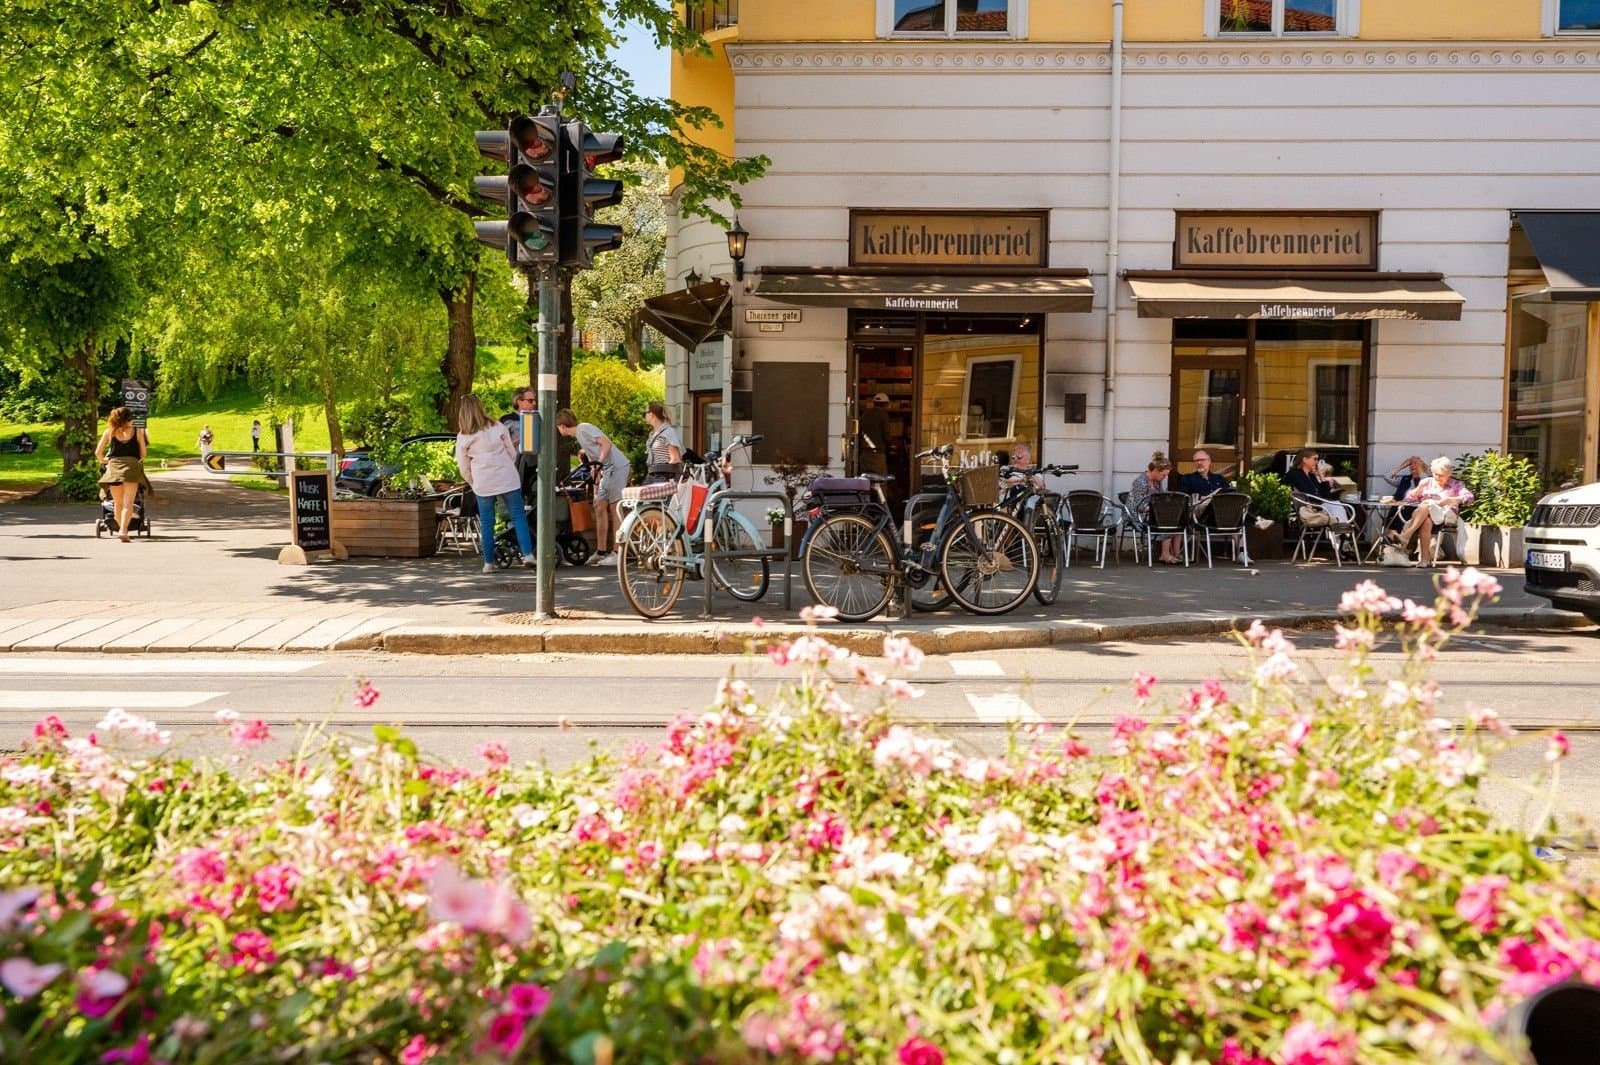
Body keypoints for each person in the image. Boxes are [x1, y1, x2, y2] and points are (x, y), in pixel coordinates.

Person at [454, 394, 536, 574]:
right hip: (507, 476)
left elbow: (463, 465)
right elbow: (512, 452)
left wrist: (472, 481)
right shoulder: (497, 426)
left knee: (487, 522)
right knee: (518, 516)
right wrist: (506, 466)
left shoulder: (464, 436)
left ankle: (488, 563)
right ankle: (528, 555)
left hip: (483, 481)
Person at [556, 409, 630, 566]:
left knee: (615, 508)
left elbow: (606, 443)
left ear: (562, 425)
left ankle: (618, 552)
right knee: (599, 505)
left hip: (616, 467)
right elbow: (592, 456)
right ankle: (601, 551)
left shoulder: (584, 428)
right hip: (606, 470)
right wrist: (595, 471)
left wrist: (599, 463)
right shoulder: (579, 435)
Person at [1389, 455, 1474, 566]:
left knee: (1425, 506)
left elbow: (1469, 497)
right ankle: (1425, 560)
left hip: (1445, 513)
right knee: (1426, 520)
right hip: (1424, 514)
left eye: (1441, 475)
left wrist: (1450, 500)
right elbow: (1409, 499)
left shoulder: (1456, 484)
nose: (1437, 477)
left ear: (1449, 473)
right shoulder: (1427, 481)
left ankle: (1406, 536)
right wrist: (1416, 491)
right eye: (1435, 474)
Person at [94, 406, 151, 542]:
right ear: (128, 418)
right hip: (131, 469)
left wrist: (105, 461)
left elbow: (98, 453)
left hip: (114, 469)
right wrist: (136, 461)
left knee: (118, 503)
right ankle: (123, 530)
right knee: (128, 503)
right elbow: (143, 454)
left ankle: (121, 529)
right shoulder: (137, 431)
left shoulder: (109, 432)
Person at [1130, 451, 1183, 564]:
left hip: (1152, 514)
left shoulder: (1157, 482)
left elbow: (1161, 498)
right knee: (1168, 521)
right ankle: (1165, 554)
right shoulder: (1140, 482)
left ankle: (1176, 553)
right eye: (1163, 475)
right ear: (1155, 470)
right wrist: (1157, 510)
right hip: (1138, 515)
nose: (1165, 477)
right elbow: (1138, 506)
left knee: (1177, 520)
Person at [500, 387, 539, 497]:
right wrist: (523, 439)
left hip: (533, 467)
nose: (534, 403)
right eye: (530, 400)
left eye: (534, 400)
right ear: (519, 402)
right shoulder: (507, 420)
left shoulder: (537, 418)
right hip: (513, 467)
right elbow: (499, 446)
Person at [642, 402, 684, 484]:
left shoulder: (668, 432)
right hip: (652, 475)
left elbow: (675, 458)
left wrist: (669, 479)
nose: (644, 416)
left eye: (645, 413)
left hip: (663, 476)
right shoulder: (653, 434)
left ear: (651, 414)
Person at [858, 392, 892, 477]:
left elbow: (859, 432)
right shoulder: (883, 415)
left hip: (864, 453)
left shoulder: (865, 414)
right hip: (877, 454)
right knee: (880, 479)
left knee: (866, 479)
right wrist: (890, 444)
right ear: (886, 404)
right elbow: (886, 435)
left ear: (874, 403)